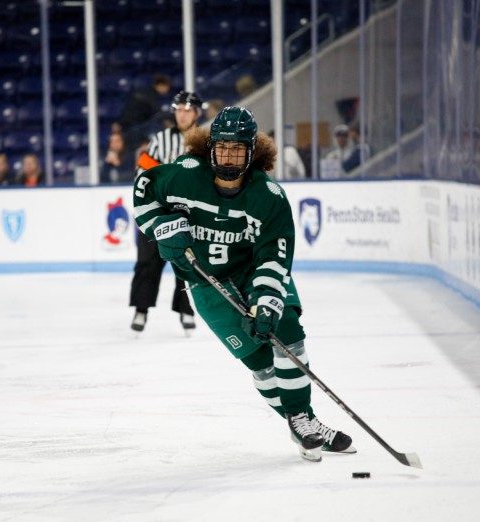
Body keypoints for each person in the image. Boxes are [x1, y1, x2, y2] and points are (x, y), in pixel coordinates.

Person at [132, 106, 356, 461]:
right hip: (205, 284)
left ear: (253, 151)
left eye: (237, 149)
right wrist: (160, 226)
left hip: (253, 271)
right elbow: (144, 186)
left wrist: (266, 300)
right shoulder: (186, 175)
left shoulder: (269, 196)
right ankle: (304, 423)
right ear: (210, 148)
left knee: (286, 329)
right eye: (222, 147)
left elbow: (274, 257)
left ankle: (301, 418)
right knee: (261, 363)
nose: (228, 156)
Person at [129, 90, 203, 335]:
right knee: (147, 263)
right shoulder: (160, 139)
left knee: (189, 262)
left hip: (191, 214)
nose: (182, 115)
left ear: (196, 113)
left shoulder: (205, 140)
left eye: (187, 110)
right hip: (157, 212)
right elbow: (142, 174)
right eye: (178, 109)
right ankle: (141, 310)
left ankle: (186, 310)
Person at [115, 73, 171, 148]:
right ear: (160, 85)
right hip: (135, 127)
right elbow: (157, 113)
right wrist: (167, 121)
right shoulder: (151, 96)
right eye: (167, 86)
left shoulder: (146, 92)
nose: (168, 89)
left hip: (132, 125)